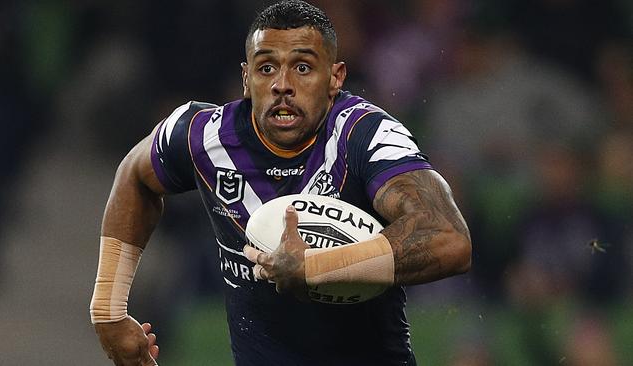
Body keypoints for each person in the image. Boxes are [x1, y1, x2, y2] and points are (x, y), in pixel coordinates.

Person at [89, 1, 471, 365]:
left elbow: (449, 238)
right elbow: (134, 175)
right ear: (245, 78)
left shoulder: (365, 135)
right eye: (266, 68)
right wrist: (108, 309)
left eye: (302, 68)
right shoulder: (201, 135)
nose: (282, 85)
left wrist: (317, 268)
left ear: (335, 77)